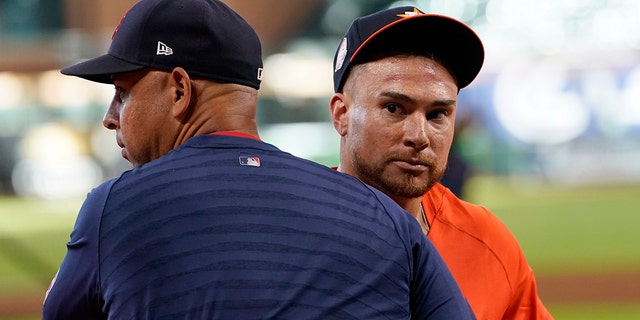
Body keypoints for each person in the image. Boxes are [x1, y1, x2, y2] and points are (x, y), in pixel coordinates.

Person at [42, 0, 476, 319]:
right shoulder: (385, 215)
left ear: (179, 91)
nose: (110, 117)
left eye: (123, 91)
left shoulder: (115, 206)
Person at [330, 6, 553, 320]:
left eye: (437, 115)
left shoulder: (486, 242)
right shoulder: (288, 235)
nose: (419, 136)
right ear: (342, 115)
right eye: (394, 108)